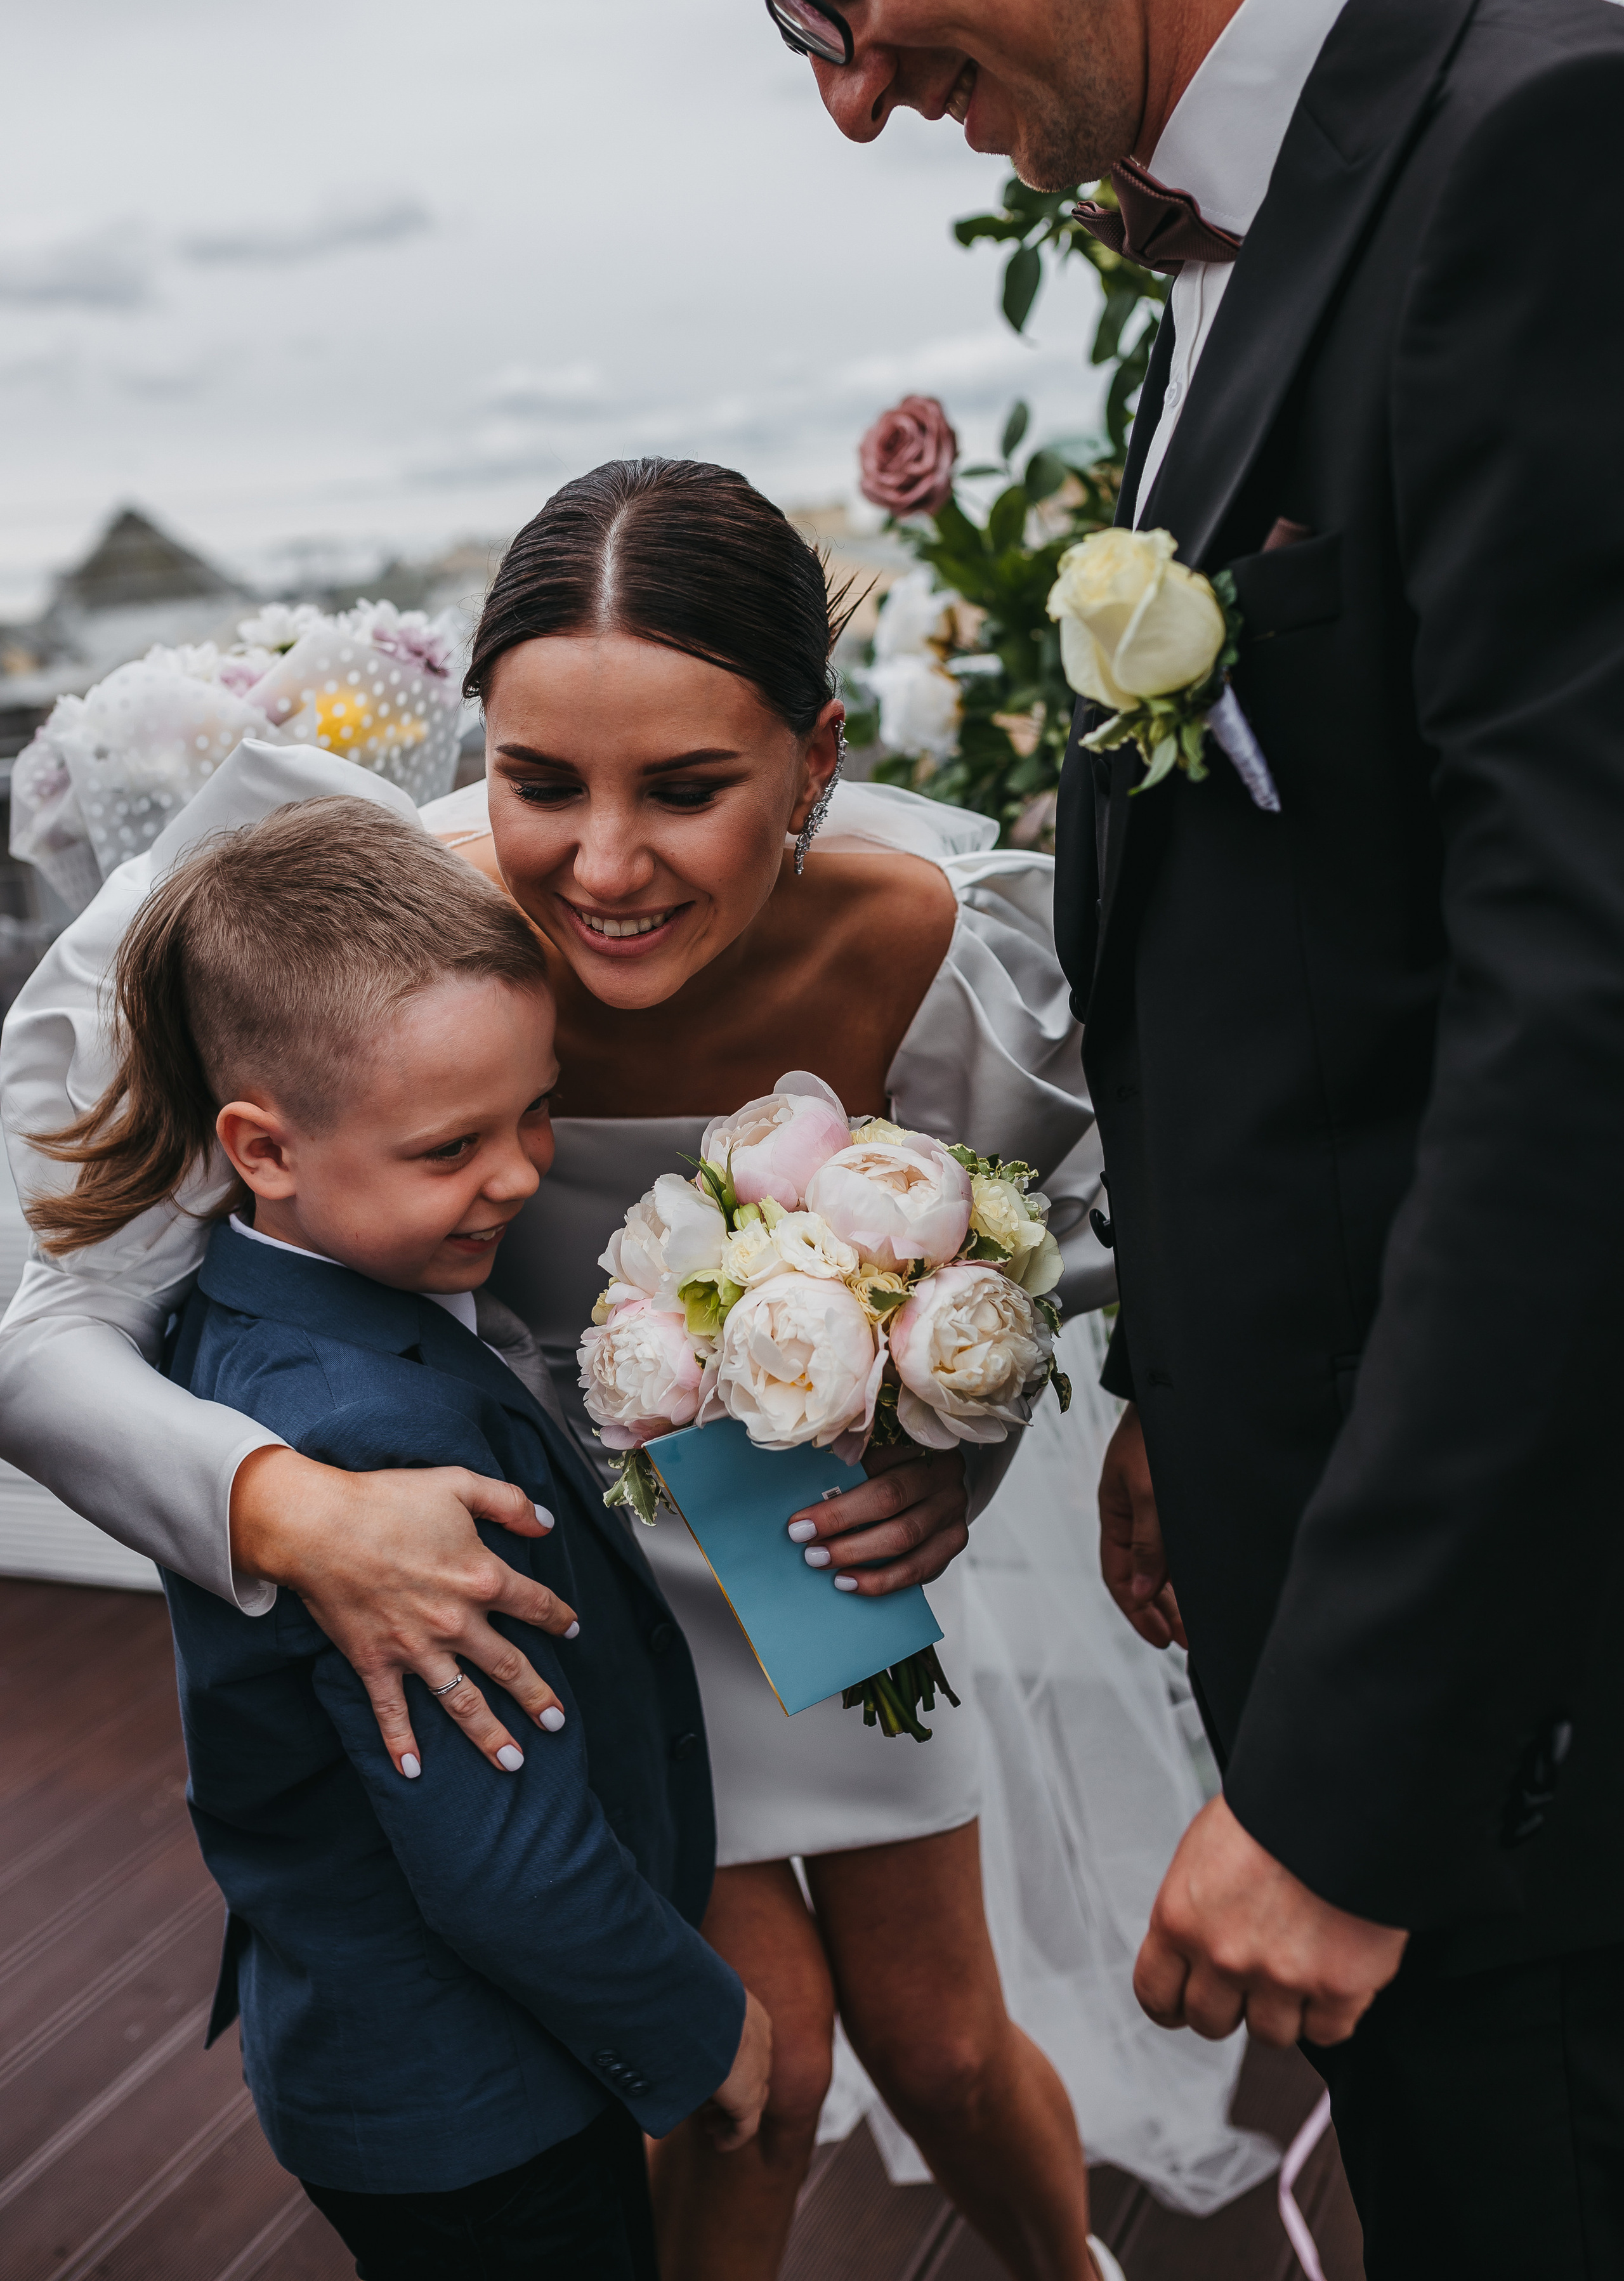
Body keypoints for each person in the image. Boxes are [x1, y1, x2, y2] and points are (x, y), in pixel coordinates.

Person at [646, 0, 1624, 2270]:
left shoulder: (1545, 147)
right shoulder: (1255, 234)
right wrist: (1187, 1395)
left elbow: (1583, 1021)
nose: (854, 96)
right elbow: (1329, 971)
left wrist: (1364, 1790)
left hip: (1531, 1745)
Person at [0, 459, 1278, 2281]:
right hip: (544, 1571)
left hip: (794, 1545)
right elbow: (40, 1331)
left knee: (942, 2040)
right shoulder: (359, 967)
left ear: (813, 767)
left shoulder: (937, 948)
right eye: (538, 784)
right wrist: (295, 1515)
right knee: (754, 2077)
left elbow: (1064, 1234)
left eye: (686, 791)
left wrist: (960, 1465)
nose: (602, 868)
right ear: (476, 758)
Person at [27, 794, 766, 2279]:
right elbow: (500, 1850)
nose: (519, 1174)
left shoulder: (261, 1311)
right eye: (452, 1148)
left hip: (400, 2051)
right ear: (263, 1148)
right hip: (469, 2102)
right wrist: (704, 2025)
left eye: (535, 1111)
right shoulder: (366, 1440)